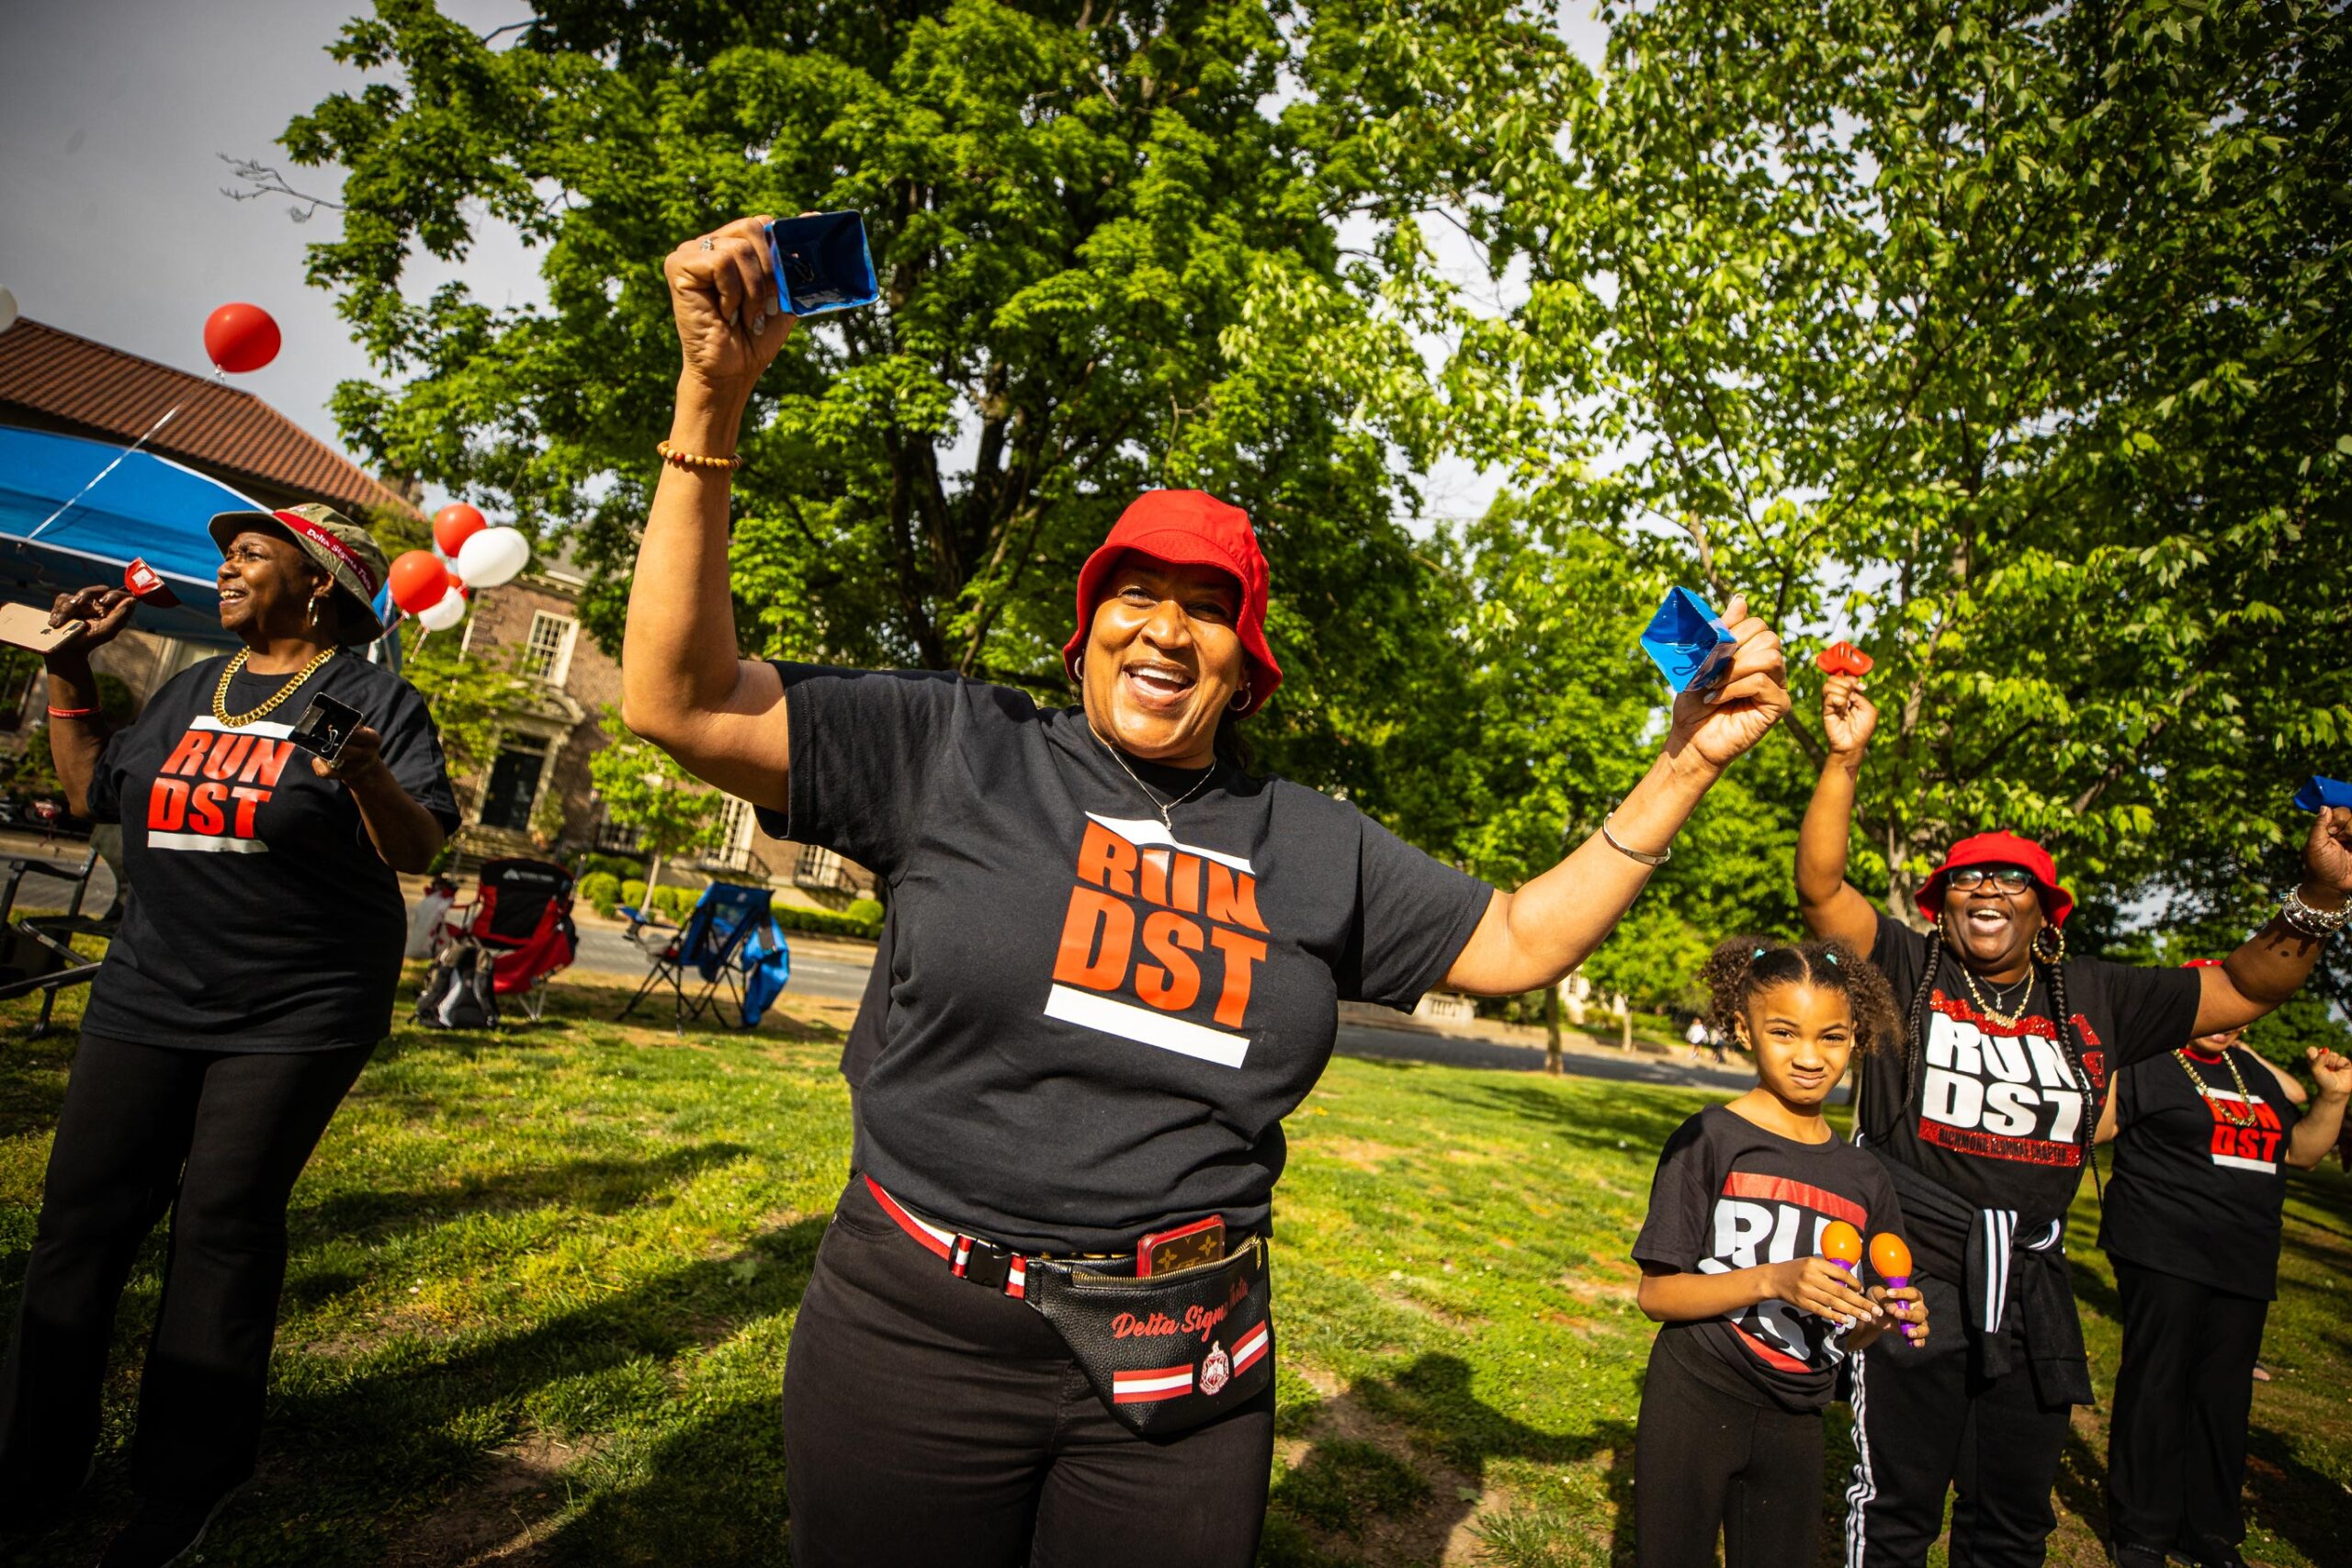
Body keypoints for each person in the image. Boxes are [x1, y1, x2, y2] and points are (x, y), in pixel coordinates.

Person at [621, 214, 1794, 1568]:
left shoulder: (1312, 840)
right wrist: (712, 398)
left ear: (1247, 664)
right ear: (1087, 625)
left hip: (1184, 1363)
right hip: (917, 1337)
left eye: (1206, 604)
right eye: (1135, 590)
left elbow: (1522, 936)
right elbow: (681, 699)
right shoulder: (957, 747)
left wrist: (1686, 763)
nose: (1165, 625)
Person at [1794, 671, 2352, 1568]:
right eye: (1967, 878)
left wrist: (2321, 896)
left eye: (2010, 882)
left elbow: (2248, 983)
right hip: (1910, 1275)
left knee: (2013, 1522)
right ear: (1941, 902)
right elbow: (1821, 889)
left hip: (2034, 1290)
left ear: (2043, 912)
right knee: (1895, 1511)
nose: (1986, 891)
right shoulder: (1906, 967)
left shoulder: (2095, 995)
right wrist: (1844, 758)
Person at [0, 504, 459, 1568]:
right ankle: (32, 1463)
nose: (225, 568)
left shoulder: (375, 698)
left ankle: (185, 1486)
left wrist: (367, 775)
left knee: (221, 1226)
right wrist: (71, 670)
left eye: (252, 554)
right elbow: (90, 795)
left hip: (294, 1009)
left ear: (320, 584)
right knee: (79, 1227)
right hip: (148, 989)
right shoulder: (185, 690)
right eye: (227, 554)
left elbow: (420, 847)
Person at [1634, 938, 1928, 1568]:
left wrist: (1875, 1321)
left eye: (1832, 1037)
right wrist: (1771, 1279)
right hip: (1695, 1392)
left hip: (1798, 1412)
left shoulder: (1866, 1177)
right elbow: (1656, 1294)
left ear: (1858, 1041)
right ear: (1743, 1028)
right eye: (1785, 1032)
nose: (1809, 1056)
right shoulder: (1711, 1137)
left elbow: (1847, 1331)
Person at [2094, 963, 2351, 1568]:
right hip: (2163, 1245)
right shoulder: (2148, 1058)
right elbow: (2099, 1128)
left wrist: (2334, 1096)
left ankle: (2208, 1529)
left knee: (2224, 1399)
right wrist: (2114, 1041)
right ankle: (2141, 1530)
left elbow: (2304, 1151)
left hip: (2244, 1257)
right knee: (2156, 1386)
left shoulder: (2254, 1072)